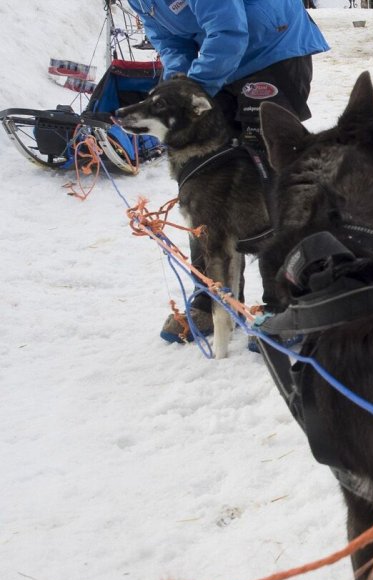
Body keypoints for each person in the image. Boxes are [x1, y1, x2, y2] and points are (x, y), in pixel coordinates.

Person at [127, 0, 330, 342]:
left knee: (270, 169)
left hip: (270, 49)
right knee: (203, 175)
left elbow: (229, 31)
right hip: (214, 58)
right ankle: (211, 299)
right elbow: (169, 39)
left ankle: (286, 303)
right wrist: (181, 80)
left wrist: (195, 87)